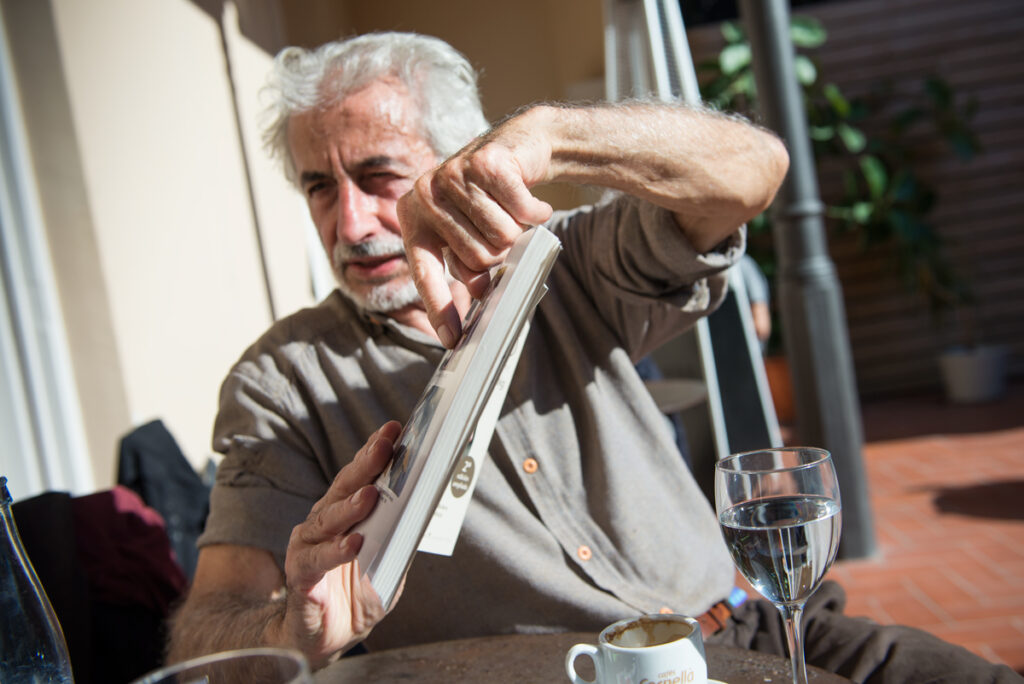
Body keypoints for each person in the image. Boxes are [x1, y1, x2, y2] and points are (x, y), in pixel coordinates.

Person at [167, 32, 1021, 683]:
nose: (349, 224)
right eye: (320, 185)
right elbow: (205, 628)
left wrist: (547, 138)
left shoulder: (564, 263)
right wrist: (291, 630)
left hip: (762, 620)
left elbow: (753, 171)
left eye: (380, 175)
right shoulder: (282, 378)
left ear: (454, 162)